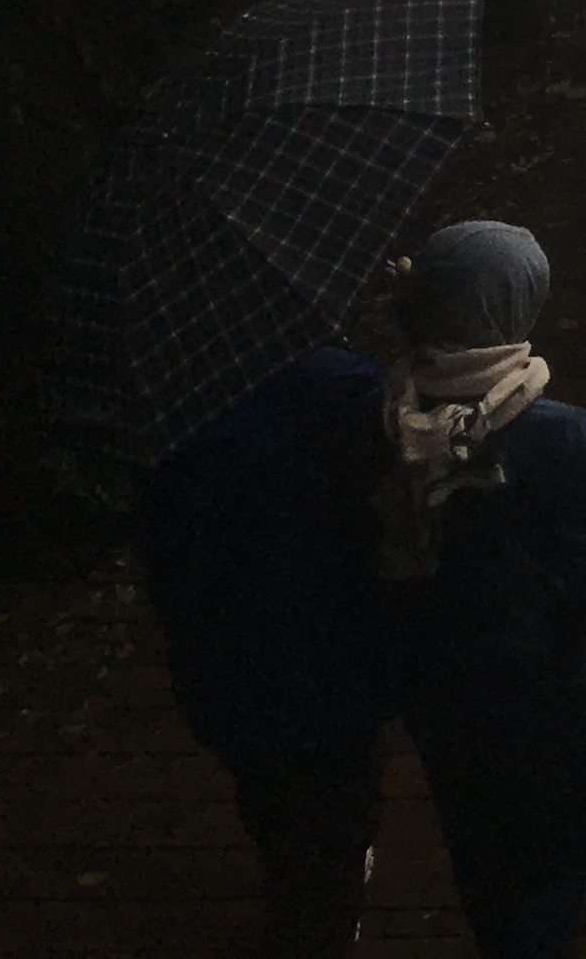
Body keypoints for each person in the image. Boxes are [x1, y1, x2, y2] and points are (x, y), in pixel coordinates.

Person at [378, 221, 586, 959]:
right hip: (537, 689)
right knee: (551, 858)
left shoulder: (387, 414)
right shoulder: (556, 433)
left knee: (478, 847)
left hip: (431, 689)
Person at [133, 338, 390, 958]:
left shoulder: (173, 411)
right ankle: (324, 918)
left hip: (229, 662)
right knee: (339, 801)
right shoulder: (346, 385)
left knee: (272, 798)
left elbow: (170, 564)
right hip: (337, 648)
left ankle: (296, 893)